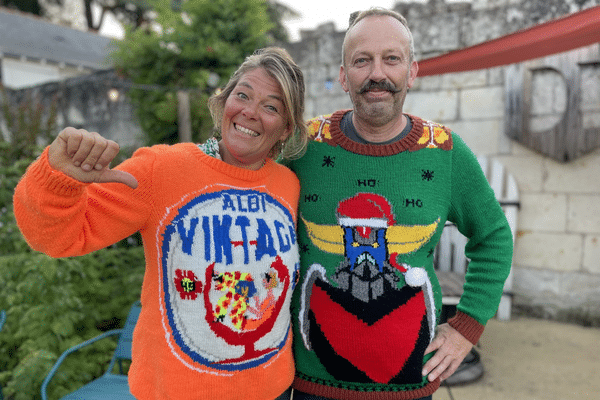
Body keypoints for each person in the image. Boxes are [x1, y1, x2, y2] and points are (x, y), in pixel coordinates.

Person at [14, 47, 307, 400]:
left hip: (272, 392)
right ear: (224, 101)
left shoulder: (288, 186)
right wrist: (59, 180)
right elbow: (58, 237)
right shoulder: (161, 170)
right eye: (242, 94)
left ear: (286, 128)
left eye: (271, 106)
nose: (249, 111)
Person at [286, 8, 513, 400]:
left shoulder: (444, 152)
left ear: (411, 71)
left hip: (409, 388)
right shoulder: (303, 146)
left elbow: (494, 237)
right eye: (362, 60)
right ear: (343, 75)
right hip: (311, 388)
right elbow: (239, 176)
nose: (378, 74)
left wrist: (466, 327)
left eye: (391, 58)